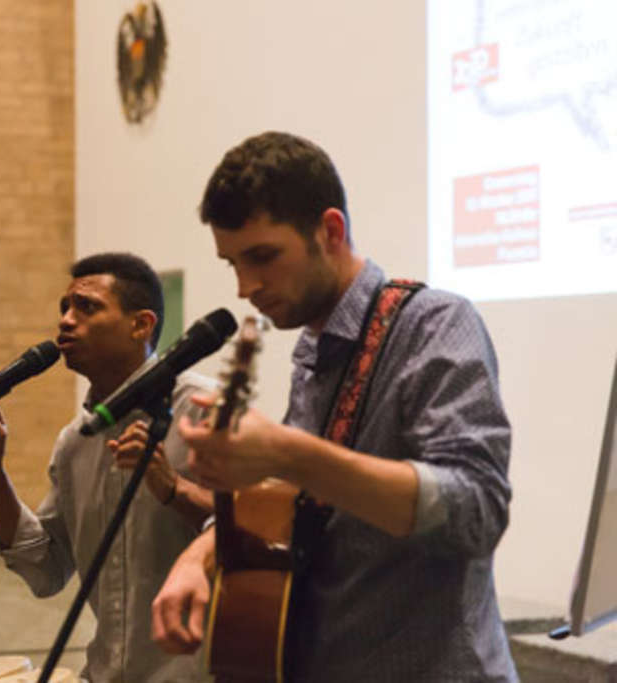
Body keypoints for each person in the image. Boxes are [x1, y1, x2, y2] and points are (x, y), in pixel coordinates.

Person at [151, 132, 518, 682]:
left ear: (330, 231)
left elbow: (476, 511)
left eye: (263, 257)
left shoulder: (436, 325)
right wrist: (197, 557)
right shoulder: (313, 351)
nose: (246, 286)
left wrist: (284, 451)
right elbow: (293, 506)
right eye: (232, 264)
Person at [0, 252, 216, 682]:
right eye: (64, 307)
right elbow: (46, 569)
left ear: (141, 325)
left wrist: (172, 488)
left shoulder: (206, 411)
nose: (66, 320)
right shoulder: (74, 443)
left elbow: (256, 531)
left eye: (87, 306)